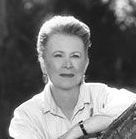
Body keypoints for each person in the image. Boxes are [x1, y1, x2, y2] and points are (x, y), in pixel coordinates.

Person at [9, 15, 136, 139]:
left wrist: (79, 130)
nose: (68, 65)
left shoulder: (101, 97)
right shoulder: (26, 115)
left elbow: (132, 105)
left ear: (86, 63)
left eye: (75, 56)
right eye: (58, 55)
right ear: (43, 63)